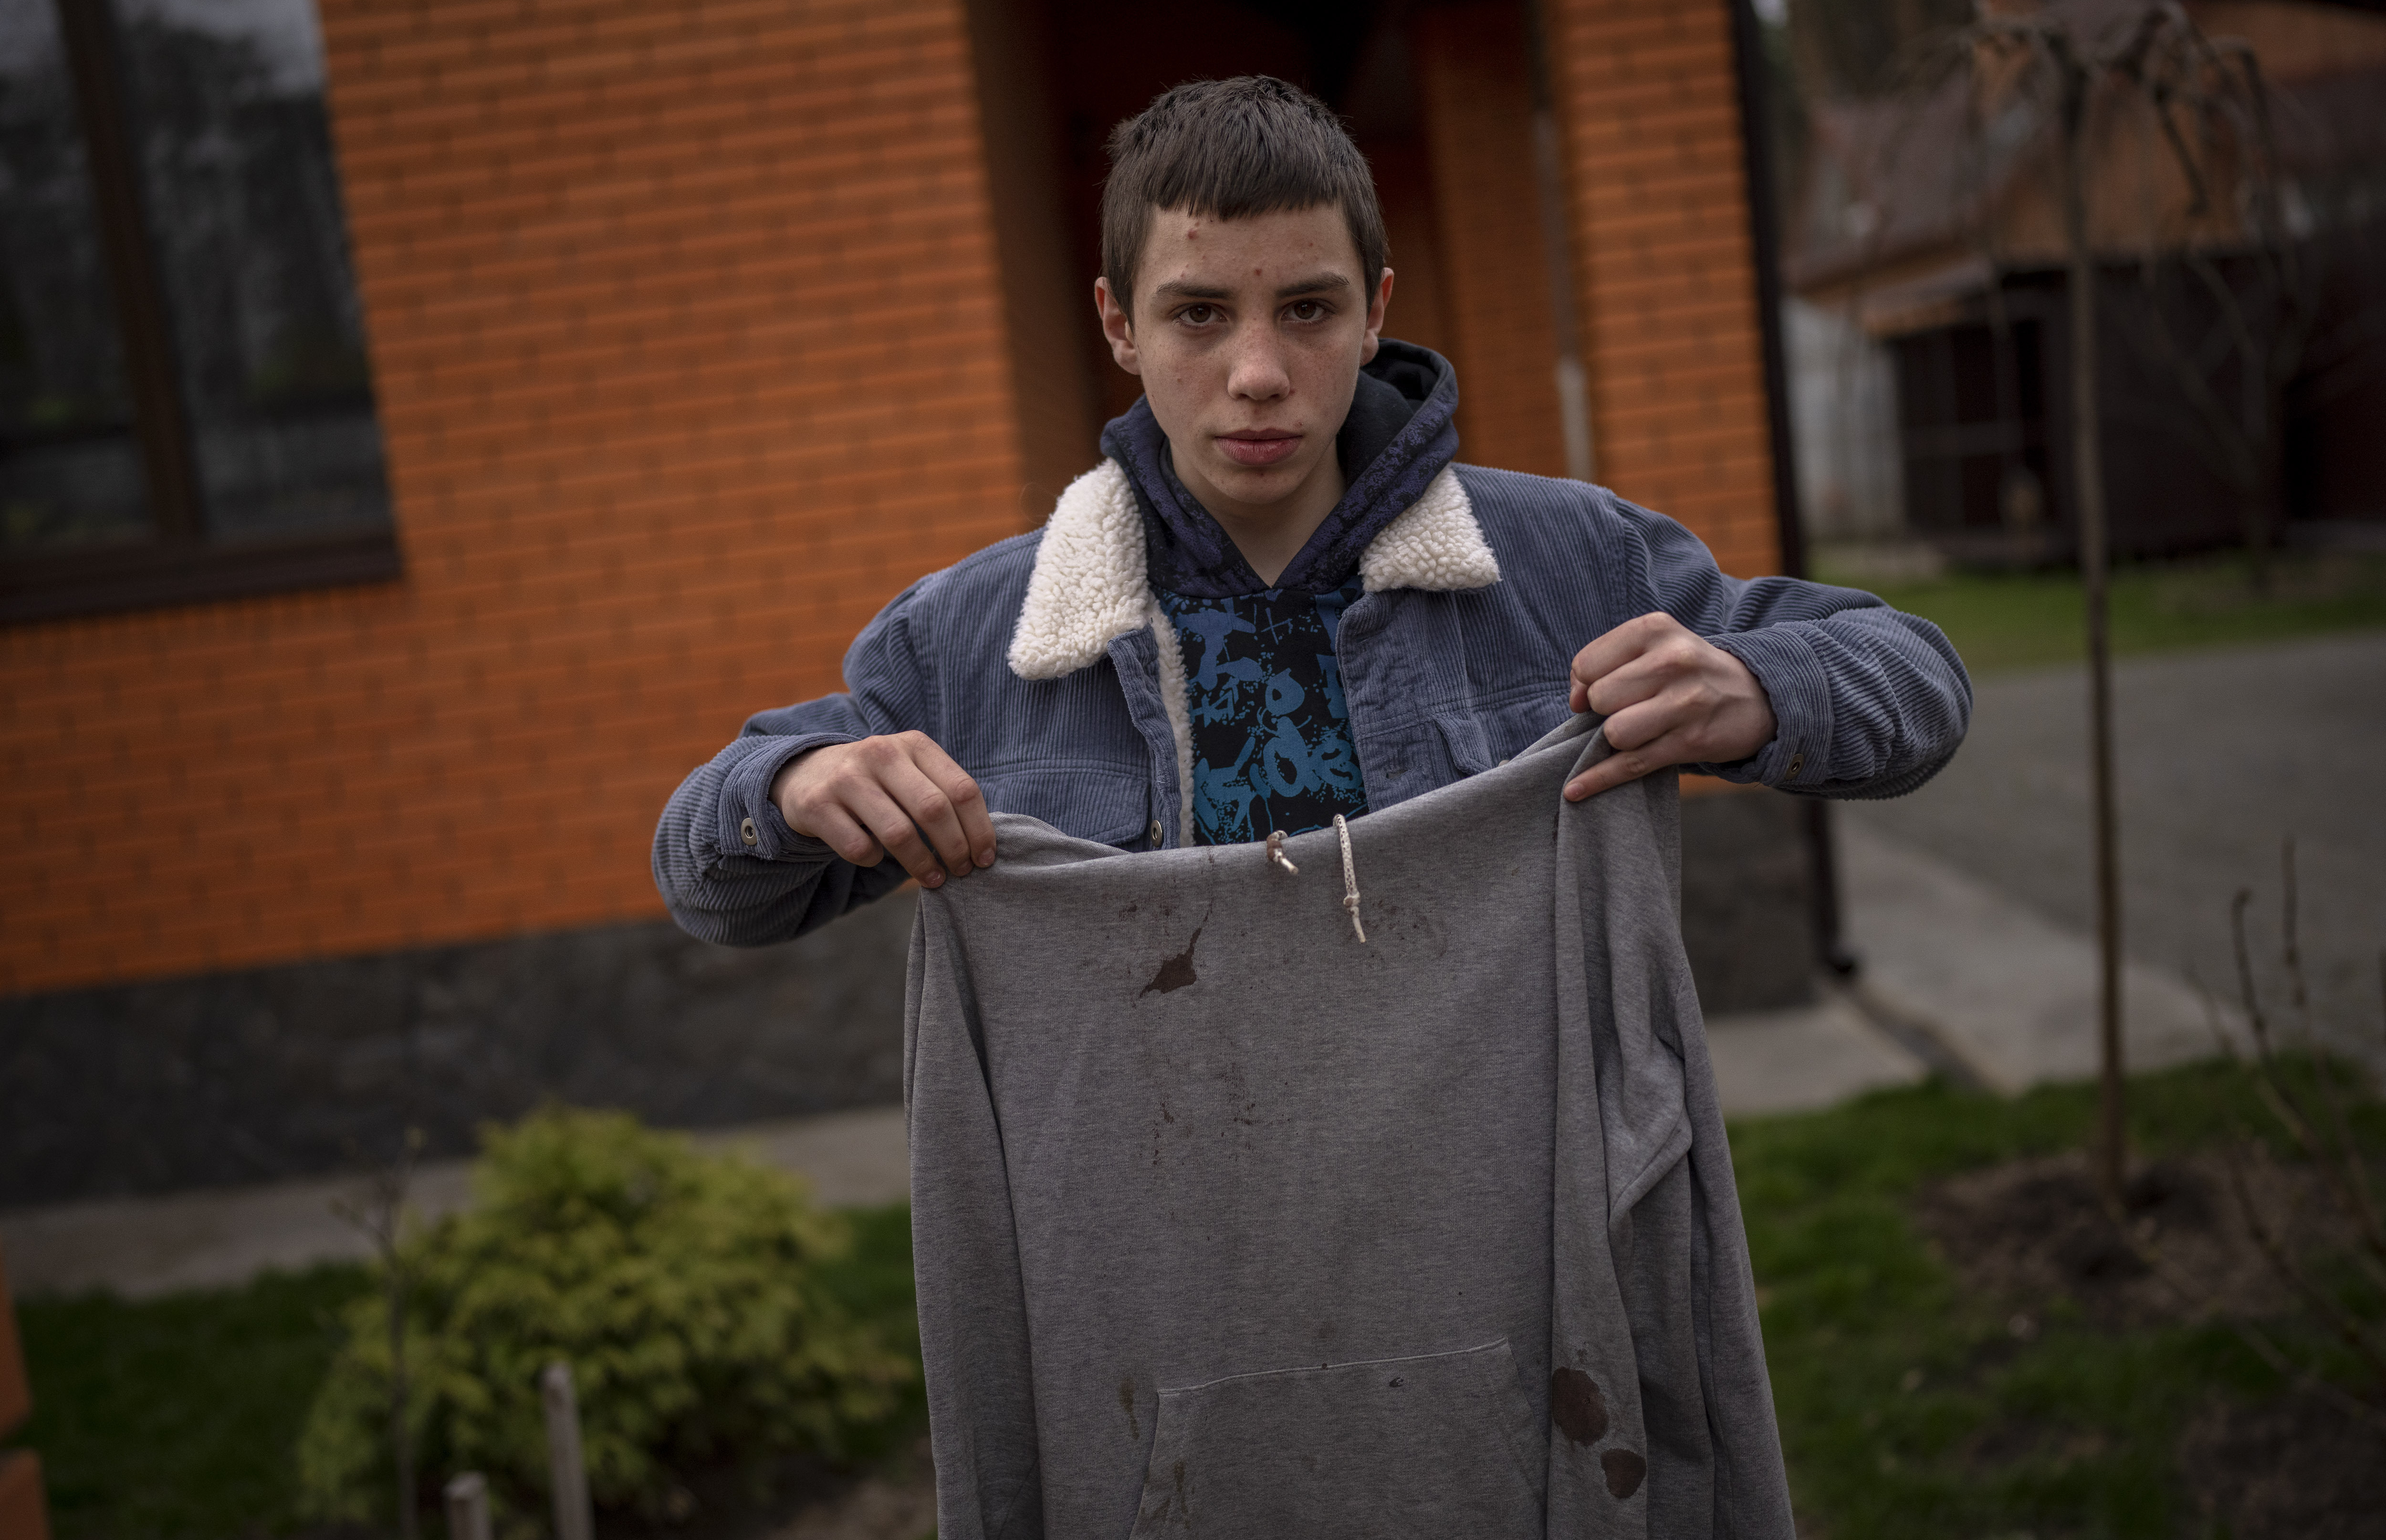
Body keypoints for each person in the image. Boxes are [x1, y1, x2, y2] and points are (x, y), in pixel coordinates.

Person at [653, 76, 1969, 947]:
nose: (1260, 373)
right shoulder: (970, 638)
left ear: (1377, 309)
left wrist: (1760, 688)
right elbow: (712, 883)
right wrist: (793, 781)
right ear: (1119, 324)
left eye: (1308, 308)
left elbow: (1917, 685)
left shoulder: (1568, 559)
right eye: (1199, 314)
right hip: (1175, 1294)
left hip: (1515, 1257)